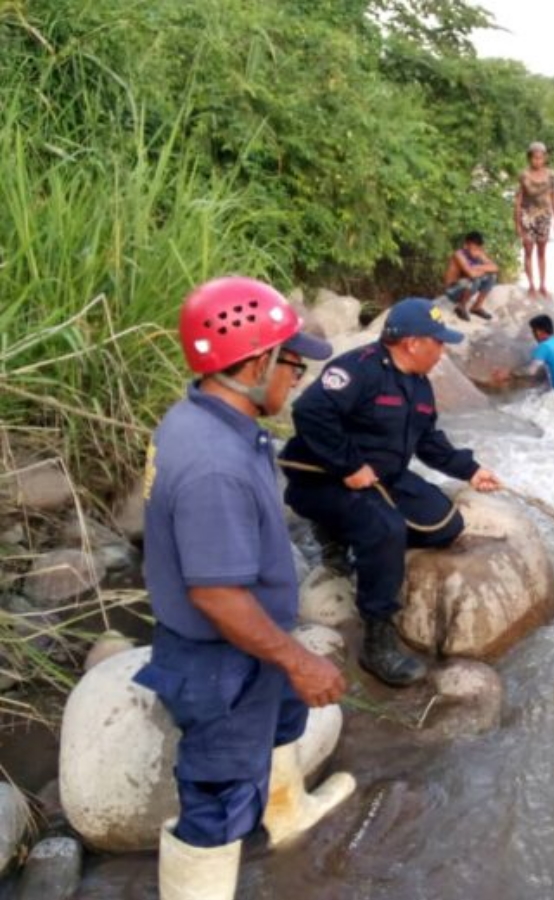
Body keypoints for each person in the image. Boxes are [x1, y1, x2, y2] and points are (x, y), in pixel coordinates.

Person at [133, 277, 355, 900]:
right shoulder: (214, 465)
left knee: (282, 720)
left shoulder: (212, 418)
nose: (296, 378)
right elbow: (218, 596)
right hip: (221, 656)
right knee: (217, 796)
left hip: (252, 640)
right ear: (257, 363)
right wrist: (299, 659)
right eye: (292, 364)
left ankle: (285, 813)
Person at [281, 297, 502, 688]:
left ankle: (358, 543)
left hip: (383, 477)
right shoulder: (357, 369)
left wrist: (471, 470)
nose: (442, 350)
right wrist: (347, 466)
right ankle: (377, 639)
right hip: (325, 478)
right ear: (413, 343)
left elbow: (429, 442)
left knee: (445, 526)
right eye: (438, 342)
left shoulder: (418, 387)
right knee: (385, 529)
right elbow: (310, 413)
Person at [514, 140, 554, 299]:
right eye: (535, 158)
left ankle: (542, 285)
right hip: (527, 215)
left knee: (542, 252)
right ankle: (531, 285)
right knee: (528, 251)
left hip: (544, 215)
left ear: (545, 158)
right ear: (529, 158)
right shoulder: (524, 175)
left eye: (541, 158)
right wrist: (517, 223)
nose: (538, 161)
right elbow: (518, 200)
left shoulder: (551, 175)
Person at [443, 230, 499, 322]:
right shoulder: (459, 254)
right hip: (453, 291)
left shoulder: (479, 253)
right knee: (474, 278)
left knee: (492, 276)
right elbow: (471, 274)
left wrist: (478, 266)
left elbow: (495, 268)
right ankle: (461, 306)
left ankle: (476, 307)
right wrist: (484, 269)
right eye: (473, 249)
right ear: (466, 245)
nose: (475, 252)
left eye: (477, 249)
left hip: (466, 287)